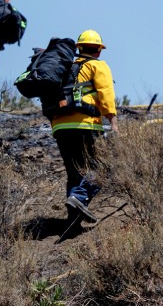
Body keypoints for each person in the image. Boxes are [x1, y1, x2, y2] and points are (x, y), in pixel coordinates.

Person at [50, 30, 118, 224]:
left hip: (60, 126)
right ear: (99, 50)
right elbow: (106, 94)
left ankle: (73, 220)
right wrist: (113, 124)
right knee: (103, 168)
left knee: (75, 172)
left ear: (78, 48)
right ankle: (79, 198)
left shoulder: (64, 67)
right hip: (84, 125)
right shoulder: (98, 66)